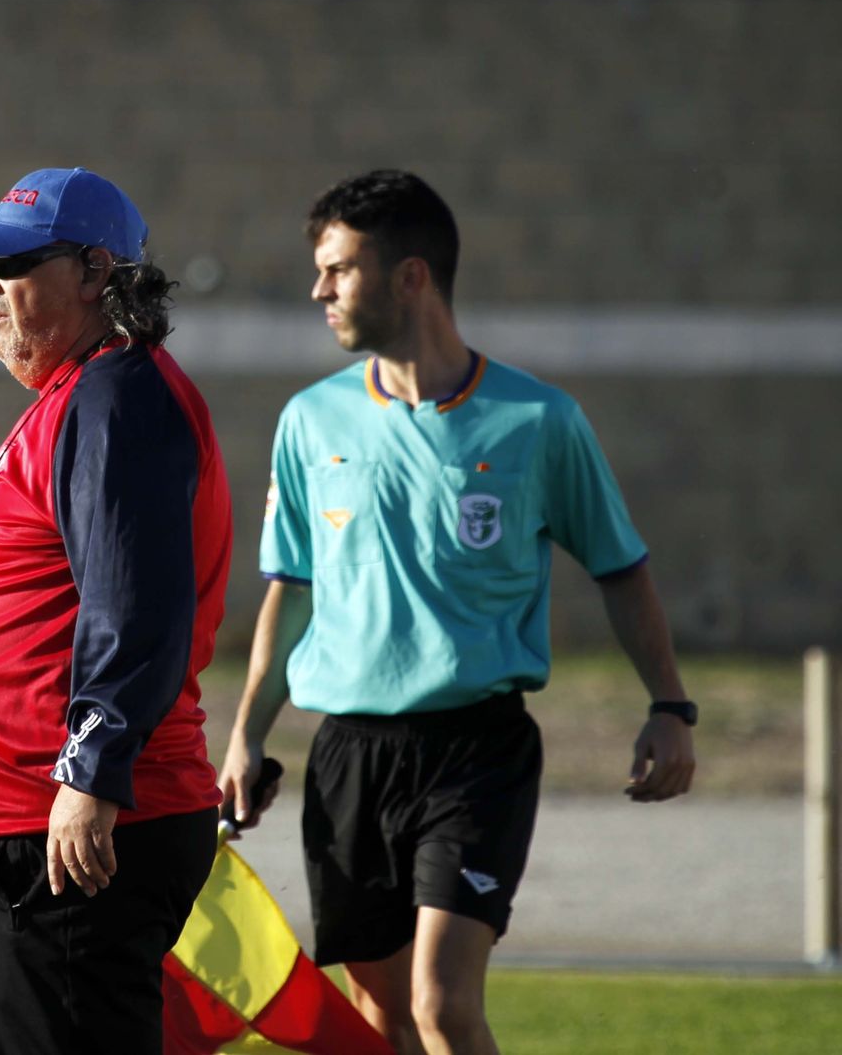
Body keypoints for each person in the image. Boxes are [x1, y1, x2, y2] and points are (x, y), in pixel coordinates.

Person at [217, 169, 697, 1055]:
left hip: (476, 752)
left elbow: (621, 569)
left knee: (443, 1006)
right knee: (383, 1019)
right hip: (347, 756)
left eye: (339, 269)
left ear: (411, 276)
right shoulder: (309, 422)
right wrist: (249, 731)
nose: (318, 290)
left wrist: (669, 706)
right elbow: (292, 588)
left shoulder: (538, 420)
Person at [0, 167, 233, 1055]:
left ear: (93, 272)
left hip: (64, 829)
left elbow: (137, 605)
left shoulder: (116, 395)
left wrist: (90, 773)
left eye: (8, 265)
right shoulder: (82, 394)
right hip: (28, 827)